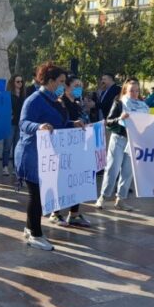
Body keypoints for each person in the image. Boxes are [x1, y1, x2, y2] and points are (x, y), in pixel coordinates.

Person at [15, 62, 84, 251]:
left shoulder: (56, 100)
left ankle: (30, 228)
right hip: (31, 154)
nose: (63, 85)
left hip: (46, 155)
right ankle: (36, 235)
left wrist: (72, 123)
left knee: (39, 194)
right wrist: (38, 126)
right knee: (36, 195)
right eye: (61, 81)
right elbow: (23, 123)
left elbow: (58, 124)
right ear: (50, 81)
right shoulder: (34, 99)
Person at [95, 78, 149, 210]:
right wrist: (120, 118)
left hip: (134, 141)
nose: (134, 93)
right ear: (125, 90)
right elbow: (108, 121)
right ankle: (103, 197)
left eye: (137, 91)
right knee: (112, 169)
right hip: (119, 138)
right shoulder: (119, 103)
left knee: (128, 171)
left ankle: (121, 199)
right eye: (131, 90)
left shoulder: (143, 106)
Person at [49, 74, 91, 227]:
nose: (79, 89)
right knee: (61, 180)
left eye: (81, 86)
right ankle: (55, 213)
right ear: (66, 87)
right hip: (63, 147)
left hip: (77, 146)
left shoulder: (78, 104)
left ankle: (74, 213)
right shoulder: (60, 103)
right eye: (76, 86)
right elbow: (60, 123)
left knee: (76, 180)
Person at [2, 74, 25, 176]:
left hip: (20, 124)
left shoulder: (23, 95)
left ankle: (15, 167)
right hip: (10, 123)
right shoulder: (8, 95)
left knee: (17, 147)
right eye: (18, 81)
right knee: (7, 146)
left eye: (21, 81)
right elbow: (4, 108)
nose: (20, 83)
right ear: (13, 83)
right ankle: (5, 167)